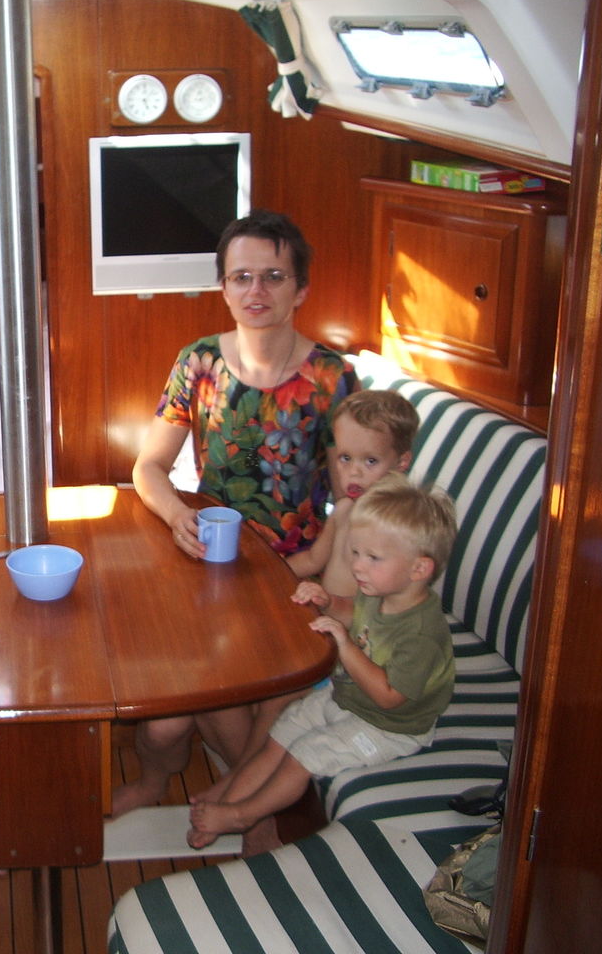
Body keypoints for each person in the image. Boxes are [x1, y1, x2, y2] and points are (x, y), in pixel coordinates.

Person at [113, 209, 359, 818]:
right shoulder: (199, 363)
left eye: (273, 276)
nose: (256, 291)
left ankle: (242, 808)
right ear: (223, 287)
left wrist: (323, 571)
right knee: (176, 718)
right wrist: (177, 516)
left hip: (297, 570)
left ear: (301, 289)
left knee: (212, 700)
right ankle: (188, 787)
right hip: (216, 562)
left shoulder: (333, 378)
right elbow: (148, 467)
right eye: (241, 277)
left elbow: (354, 493)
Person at [188, 472, 457, 853]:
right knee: (280, 734)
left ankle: (243, 816)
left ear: (419, 570)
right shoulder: (382, 590)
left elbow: (388, 696)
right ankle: (226, 804)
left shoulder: (421, 634)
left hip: (389, 727)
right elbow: (354, 610)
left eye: (372, 558)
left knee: (305, 754)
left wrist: (344, 644)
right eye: (356, 553)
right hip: (346, 698)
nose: (358, 567)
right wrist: (328, 601)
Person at [287, 389, 419, 594]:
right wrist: (268, 573)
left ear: (401, 462)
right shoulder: (343, 509)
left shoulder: (397, 526)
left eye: (371, 461)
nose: (354, 472)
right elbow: (312, 560)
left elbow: (385, 601)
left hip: (357, 615)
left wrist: (331, 604)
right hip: (326, 607)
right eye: (345, 458)